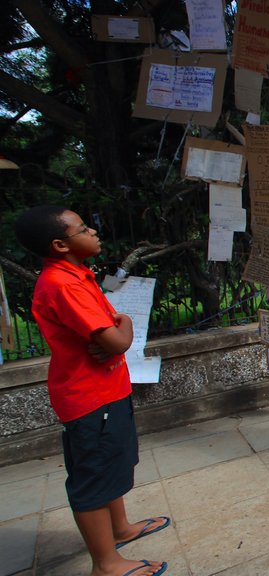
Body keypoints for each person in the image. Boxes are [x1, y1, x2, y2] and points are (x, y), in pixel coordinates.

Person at [13, 206, 169, 576]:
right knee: (93, 477)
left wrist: (114, 333)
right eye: (83, 228)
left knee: (111, 464)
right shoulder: (62, 284)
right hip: (89, 395)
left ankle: (120, 528)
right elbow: (115, 340)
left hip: (106, 388)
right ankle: (107, 564)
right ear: (60, 244)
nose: (94, 232)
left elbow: (104, 329)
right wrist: (126, 326)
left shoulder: (76, 274)